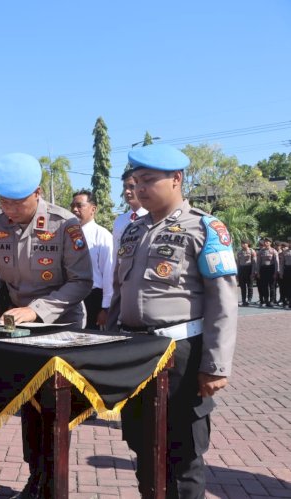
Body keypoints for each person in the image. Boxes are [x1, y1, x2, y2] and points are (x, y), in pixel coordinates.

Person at [107, 143, 238, 498]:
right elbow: (120, 294)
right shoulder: (133, 231)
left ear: (176, 179)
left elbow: (223, 301)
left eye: (148, 180)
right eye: (136, 180)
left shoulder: (205, 227)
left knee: (183, 454)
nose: (139, 188)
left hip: (180, 353)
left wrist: (216, 365)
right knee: (142, 443)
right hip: (134, 352)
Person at [0, 153, 93, 498]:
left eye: (16, 202)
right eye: (2, 201)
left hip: (58, 325)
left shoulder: (65, 225)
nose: (9, 209)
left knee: (54, 410)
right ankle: (37, 479)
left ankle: (51, 483)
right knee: (29, 407)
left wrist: (37, 310)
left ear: (36, 192)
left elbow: (82, 282)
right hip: (17, 328)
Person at [70, 189, 114, 330]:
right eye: (72, 206)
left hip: (93, 299)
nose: (74, 209)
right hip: (71, 296)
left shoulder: (102, 236)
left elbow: (109, 272)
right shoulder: (67, 234)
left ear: (93, 209)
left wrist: (105, 308)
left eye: (79, 205)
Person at [112, 168, 149, 257]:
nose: (127, 191)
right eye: (125, 187)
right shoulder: (119, 220)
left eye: (131, 187)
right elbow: (115, 254)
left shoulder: (152, 217)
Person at [257, 237, 280, 307]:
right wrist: (258, 272)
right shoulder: (261, 251)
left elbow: (277, 263)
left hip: (271, 269)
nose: (266, 243)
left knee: (272, 286)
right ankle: (266, 300)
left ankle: (272, 301)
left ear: (270, 243)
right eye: (265, 242)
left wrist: (276, 272)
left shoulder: (273, 251)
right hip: (263, 270)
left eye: (267, 242)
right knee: (264, 286)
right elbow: (258, 262)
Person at [236, 240, 258, 306]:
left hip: (249, 269)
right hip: (242, 270)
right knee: (242, 287)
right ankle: (243, 300)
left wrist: (253, 272)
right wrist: (237, 273)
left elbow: (254, 263)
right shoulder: (239, 252)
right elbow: (238, 263)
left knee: (250, 286)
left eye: (244, 243)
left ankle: (249, 300)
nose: (243, 245)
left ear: (247, 244)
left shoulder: (252, 251)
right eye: (242, 243)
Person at [280, 241, 290, 307]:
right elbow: (282, 263)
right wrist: (281, 273)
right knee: (287, 287)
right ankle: (287, 301)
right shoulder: (285, 252)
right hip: (287, 270)